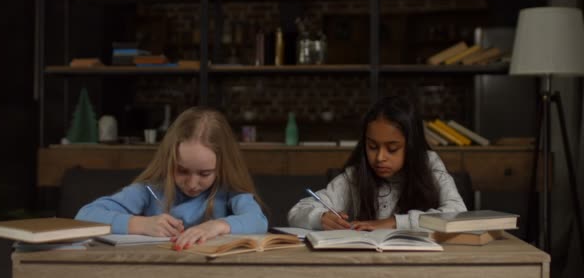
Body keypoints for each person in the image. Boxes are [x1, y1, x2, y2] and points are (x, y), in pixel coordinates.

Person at [76, 106, 268, 249]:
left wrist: (217, 226)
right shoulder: (150, 189)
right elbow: (85, 216)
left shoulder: (228, 190)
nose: (192, 184)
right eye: (182, 171)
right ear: (169, 162)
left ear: (222, 167)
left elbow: (258, 221)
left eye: (204, 174)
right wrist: (140, 224)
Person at [288, 96, 467, 230]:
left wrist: (393, 222)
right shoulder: (355, 176)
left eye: (392, 149)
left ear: (411, 146)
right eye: (372, 146)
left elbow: (458, 213)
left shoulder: (429, 165)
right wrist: (319, 218)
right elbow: (296, 212)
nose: (380, 157)